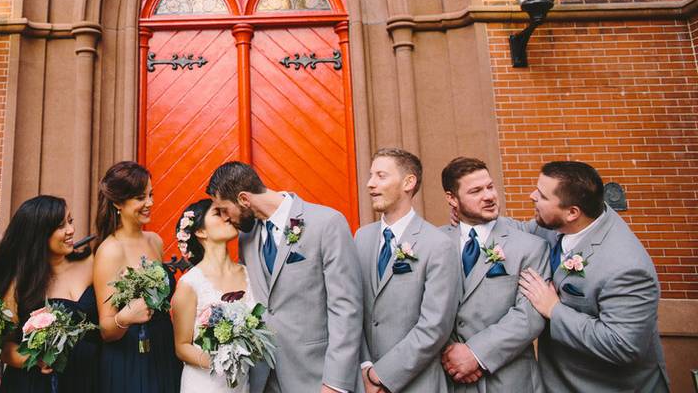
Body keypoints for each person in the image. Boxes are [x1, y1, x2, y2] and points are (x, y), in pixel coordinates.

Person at [206, 161, 362, 393]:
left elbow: (346, 308)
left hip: (316, 376)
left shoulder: (326, 223)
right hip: (263, 378)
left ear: (244, 199)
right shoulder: (246, 239)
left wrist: (336, 383)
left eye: (224, 209)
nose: (225, 218)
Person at [517, 161, 670, 392]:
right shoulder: (563, 221)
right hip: (559, 380)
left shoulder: (626, 267)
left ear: (572, 213)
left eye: (542, 195)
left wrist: (554, 310)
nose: (532, 196)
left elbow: (623, 346)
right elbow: (519, 231)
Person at [437, 157, 548, 392]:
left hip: (509, 381)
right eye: (476, 191)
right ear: (451, 199)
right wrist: (451, 354)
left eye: (490, 187)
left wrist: (476, 354)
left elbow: (529, 316)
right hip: (448, 379)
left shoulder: (530, 246)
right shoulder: (434, 243)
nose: (488, 196)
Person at [355, 148, 459, 393]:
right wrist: (365, 366)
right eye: (371, 176)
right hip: (362, 382)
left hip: (418, 383)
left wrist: (380, 374)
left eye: (381, 176)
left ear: (408, 182)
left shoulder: (437, 244)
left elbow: (435, 325)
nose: (370, 184)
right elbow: (351, 308)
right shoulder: (361, 237)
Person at [0, 195, 99, 392]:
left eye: (70, 221)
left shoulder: (92, 263)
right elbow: (3, 347)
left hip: (90, 378)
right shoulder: (19, 283)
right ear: (39, 234)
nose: (71, 230)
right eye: (60, 226)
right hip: (36, 384)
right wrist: (34, 359)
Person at [92, 161, 182, 393]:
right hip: (130, 356)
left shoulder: (155, 241)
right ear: (117, 203)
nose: (150, 203)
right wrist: (126, 317)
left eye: (150, 195)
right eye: (140, 198)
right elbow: (106, 328)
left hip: (163, 346)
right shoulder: (110, 250)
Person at [172, 198, 256, 392]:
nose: (228, 217)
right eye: (218, 213)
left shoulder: (250, 274)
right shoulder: (190, 284)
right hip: (205, 384)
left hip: (243, 384)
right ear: (200, 232)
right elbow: (182, 347)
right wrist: (222, 361)